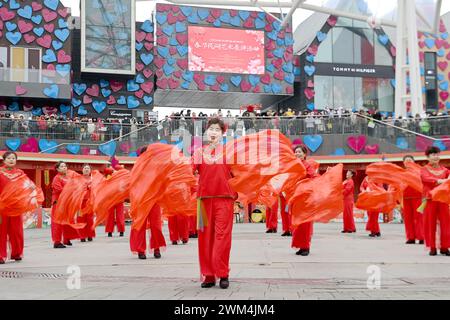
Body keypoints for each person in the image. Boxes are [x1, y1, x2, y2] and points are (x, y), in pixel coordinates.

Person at [193, 118, 237, 289]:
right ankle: (209, 275)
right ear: (206, 132)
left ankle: (223, 273)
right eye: (211, 129)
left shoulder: (230, 152)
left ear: (222, 133)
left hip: (224, 200)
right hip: (203, 202)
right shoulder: (199, 153)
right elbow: (188, 172)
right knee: (204, 239)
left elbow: (239, 175)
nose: (213, 132)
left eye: (217, 130)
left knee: (222, 238)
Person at [129, 146, 166, 259]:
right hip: (141, 200)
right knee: (140, 225)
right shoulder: (137, 167)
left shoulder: (156, 167)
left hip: (154, 200)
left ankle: (156, 248)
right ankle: (141, 250)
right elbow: (133, 183)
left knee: (156, 225)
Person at [420, 146, 450, 256]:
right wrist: (440, 181)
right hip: (429, 199)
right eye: (433, 155)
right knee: (430, 223)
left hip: (443, 199)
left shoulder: (445, 170)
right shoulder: (424, 169)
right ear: (428, 157)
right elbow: (426, 179)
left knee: (446, 224)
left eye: (437, 154)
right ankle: (432, 247)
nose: (435, 156)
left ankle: (445, 247)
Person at [291, 145, 318, 256]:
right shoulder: (294, 166)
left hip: (306, 198)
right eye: (296, 152)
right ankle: (301, 246)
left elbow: (314, 177)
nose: (297, 154)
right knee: (298, 223)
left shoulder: (307, 165)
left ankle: (306, 247)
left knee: (306, 223)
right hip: (297, 198)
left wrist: (305, 185)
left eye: (299, 152)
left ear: (304, 154)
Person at [0, 152, 25, 264]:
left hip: (16, 206)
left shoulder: (20, 173)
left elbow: (26, 187)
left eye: (13, 158)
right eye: (9, 158)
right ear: (4, 160)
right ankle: (1, 255)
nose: (11, 160)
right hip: (2, 207)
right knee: (1, 231)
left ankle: (17, 253)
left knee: (16, 230)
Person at [51, 161, 80, 248]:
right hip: (59, 203)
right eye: (62, 166)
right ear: (57, 169)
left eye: (65, 166)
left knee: (68, 221)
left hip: (67, 203)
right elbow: (59, 190)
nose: (64, 168)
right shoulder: (57, 178)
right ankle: (57, 242)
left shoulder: (68, 177)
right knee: (58, 223)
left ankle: (67, 239)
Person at [402, 155, 424, 245]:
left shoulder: (420, 171)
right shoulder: (402, 173)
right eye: (406, 161)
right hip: (405, 197)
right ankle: (410, 237)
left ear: (414, 162)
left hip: (417, 197)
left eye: (410, 160)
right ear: (404, 163)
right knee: (408, 218)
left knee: (419, 218)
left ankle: (421, 237)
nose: (408, 162)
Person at [104, 166, 125, 237]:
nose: (115, 172)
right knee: (110, 215)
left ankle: (121, 230)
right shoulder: (108, 178)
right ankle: (109, 231)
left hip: (119, 199)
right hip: (110, 199)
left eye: (117, 171)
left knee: (120, 215)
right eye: (113, 171)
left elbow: (123, 189)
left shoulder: (122, 180)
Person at [77, 164, 95, 243]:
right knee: (81, 219)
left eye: (88, 168)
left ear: (90, 170)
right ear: (82, 170)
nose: (86, 169)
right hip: (80, 202)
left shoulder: (93, 179)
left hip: (90, 202)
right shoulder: (78, 179)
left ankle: (90, 235)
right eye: (85, 168)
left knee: (90, 219)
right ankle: (82, 236)